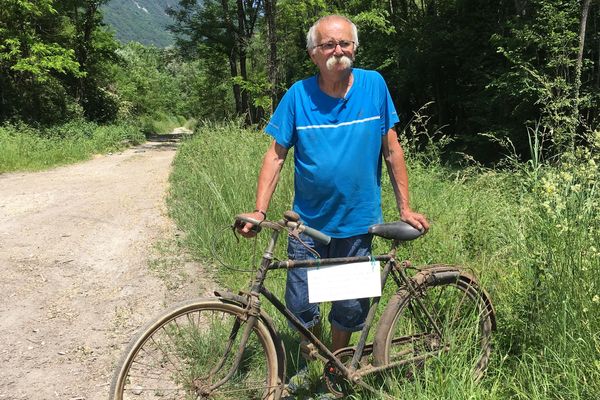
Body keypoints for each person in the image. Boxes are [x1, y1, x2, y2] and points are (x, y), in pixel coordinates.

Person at [238, 14, 429, 354]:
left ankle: (336, 364)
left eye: (345, 43)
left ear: (354, 48)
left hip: (358, 221)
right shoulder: (298, 95)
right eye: (328, 44)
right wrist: (259, 210)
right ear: (313, 53)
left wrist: (405, 208)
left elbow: (391, 148)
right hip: (307, 225)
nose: (337, 50)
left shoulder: (375, 85)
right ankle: (314, 353)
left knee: (349, 306)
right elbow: (276, 156)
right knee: (300, 302)